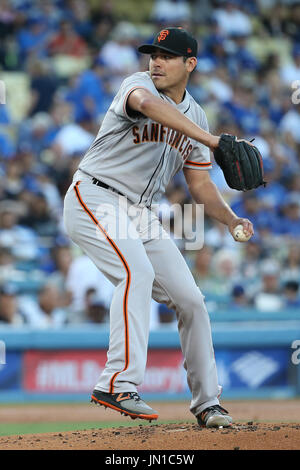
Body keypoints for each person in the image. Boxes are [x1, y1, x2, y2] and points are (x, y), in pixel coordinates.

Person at [63, 27, 254, 428]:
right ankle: (117, 381)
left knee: (191, 300)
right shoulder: (137, 84)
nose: (156, 61)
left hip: (141, 212)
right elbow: (147, 104)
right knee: (137, 273)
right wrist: (213, 140)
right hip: (96, 194)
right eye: (153, 54)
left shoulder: (198, 117)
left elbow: (200, 184)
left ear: (191, 64)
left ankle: (208, 403)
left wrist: (232, 219)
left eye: (167, 55)